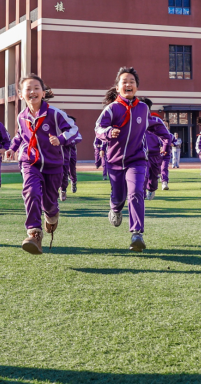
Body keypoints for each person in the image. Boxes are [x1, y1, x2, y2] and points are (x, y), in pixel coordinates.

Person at [5, 75, 79, 254]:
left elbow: (74, 130)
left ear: (43, 93)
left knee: (49, 204)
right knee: (31, 191)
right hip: (30, 162)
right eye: (28, 89)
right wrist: (12, 148)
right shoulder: (22, 116)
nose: (32, 91)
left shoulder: (54, 113)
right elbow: (20, 135)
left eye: (36, 88)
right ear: (21, 94)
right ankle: (34, 233)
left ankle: (52, 216)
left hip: (53, 165)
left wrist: (60, 139)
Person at [95, 67, 159, 251]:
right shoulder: (111, 109)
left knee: (136, 192)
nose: (128, 84)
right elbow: (98, 128)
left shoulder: (143, 108)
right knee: (118, 196)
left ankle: (137, 233)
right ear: (117, 87)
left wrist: (166, 137)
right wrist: (108, 132)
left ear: (137, 87)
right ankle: (115, 208)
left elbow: (153, 125)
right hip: (115, 161)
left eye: (132, 81)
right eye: (124, 81)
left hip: (137, 160)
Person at [140, 99, 172, 199]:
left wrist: (164, 147)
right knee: (142, 175)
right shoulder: (134, 121)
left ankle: (151, 189)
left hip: (154, 154)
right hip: (139, 154)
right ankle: (141, 196)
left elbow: (166, 136)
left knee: (153, 177)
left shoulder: (156, 120)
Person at [58, 112, 82, 201]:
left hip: (71, 153)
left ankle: (74, 181)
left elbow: (79, 137)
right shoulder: (57, 126)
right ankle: (63, 190)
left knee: (72, 171)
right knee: (63, 173)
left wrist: (68, 141)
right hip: (60, 154)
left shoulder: (72, 127)